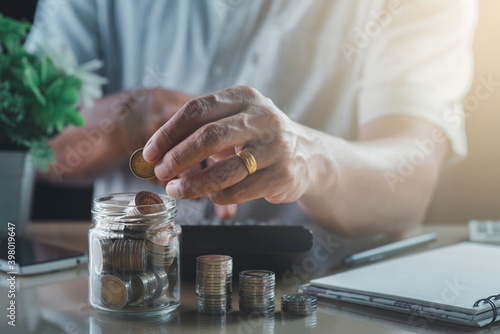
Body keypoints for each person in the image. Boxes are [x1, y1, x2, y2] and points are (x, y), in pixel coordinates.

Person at [27, 0, 476, 238]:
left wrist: (309, 160)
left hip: (314, 302)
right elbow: (28, 140)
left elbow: (409, 183)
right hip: (127, 289)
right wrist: (129, 121)